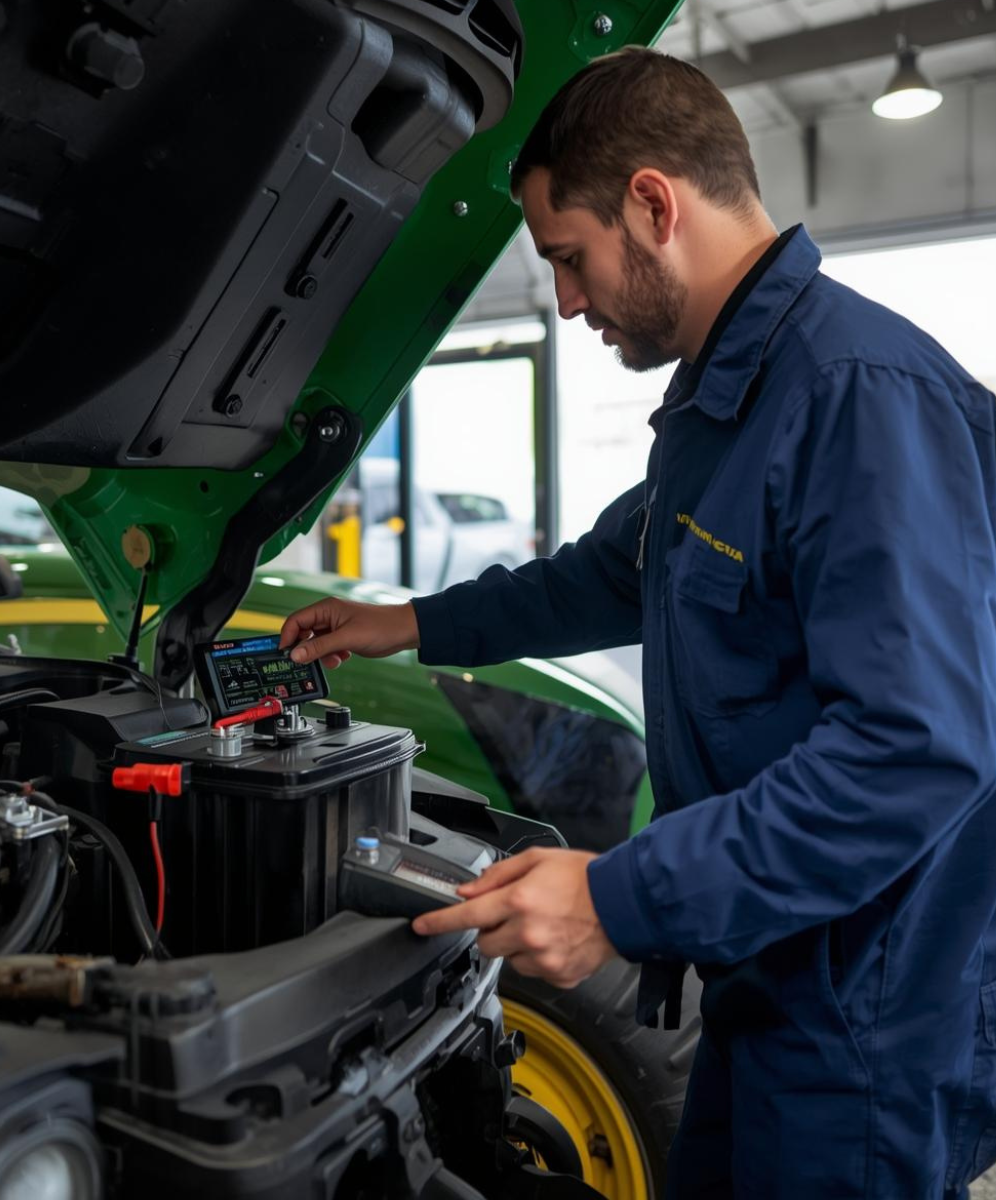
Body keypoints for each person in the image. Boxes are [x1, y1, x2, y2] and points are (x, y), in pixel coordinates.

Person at [278, 46, 996, 1199]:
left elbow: (914, 753)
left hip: (867, 1021)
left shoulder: (855, 398)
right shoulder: (727, 407)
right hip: (762, 969)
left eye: (569, 258)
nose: (564, 301)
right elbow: (605, 577)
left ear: (654, 205)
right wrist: (403, 623)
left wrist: (619, 897)